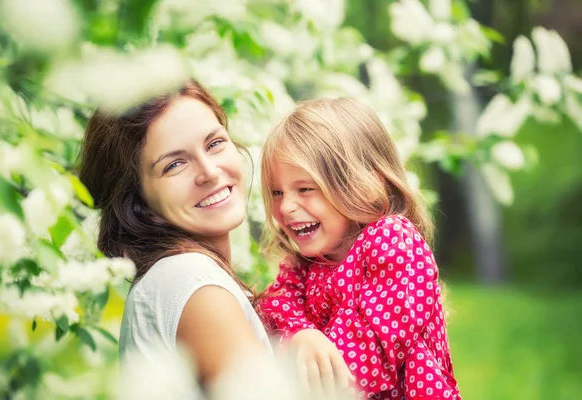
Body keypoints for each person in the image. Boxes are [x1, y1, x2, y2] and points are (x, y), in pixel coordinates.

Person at [257, 98, 460, 399]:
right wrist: (302, 336)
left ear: (365, 183)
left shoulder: (394, 242)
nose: (285, 206)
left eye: (305, 189)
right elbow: (274, 312)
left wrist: (300, 368)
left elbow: (363, 358)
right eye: (277, 192)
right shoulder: (303, 265)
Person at [78, 78, 272, 391]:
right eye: (175, 164)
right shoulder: (193, 282)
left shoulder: (172, 279)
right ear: (136, 199)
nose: (209, 171)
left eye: (214, 144)